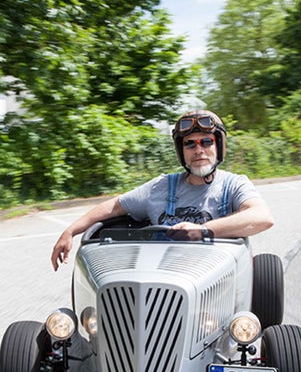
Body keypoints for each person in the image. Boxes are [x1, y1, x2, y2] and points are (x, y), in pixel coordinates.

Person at [50, 110, 274, 271]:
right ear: (181, 151)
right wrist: (70, 231)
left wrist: (202, 230)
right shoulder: (161, 187)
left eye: (206, 142)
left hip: (212, 279)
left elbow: (263, 217)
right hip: (158, 275)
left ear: (218, 146)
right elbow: (113, 206)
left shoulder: (234, 184)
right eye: (190, 144)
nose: (199, 150)